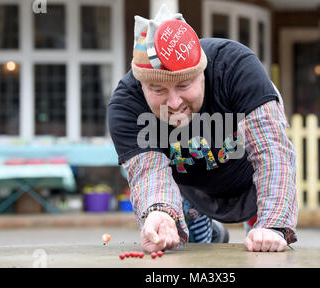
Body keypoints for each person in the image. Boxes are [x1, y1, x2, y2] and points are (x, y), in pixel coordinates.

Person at [108, 5, 297, 253]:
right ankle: (208, 230)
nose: (174, 103)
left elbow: (271, 149)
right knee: (194, 252)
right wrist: (159, 213)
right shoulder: (126, 106)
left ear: (202, 73)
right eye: (158, 90)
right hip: (192, 189)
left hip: (251, 182)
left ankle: (253, 224)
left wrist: (273, 226)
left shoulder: (236, 67)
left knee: (263, 251)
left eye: (184, 85)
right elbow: (149, 172)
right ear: (142, 85)